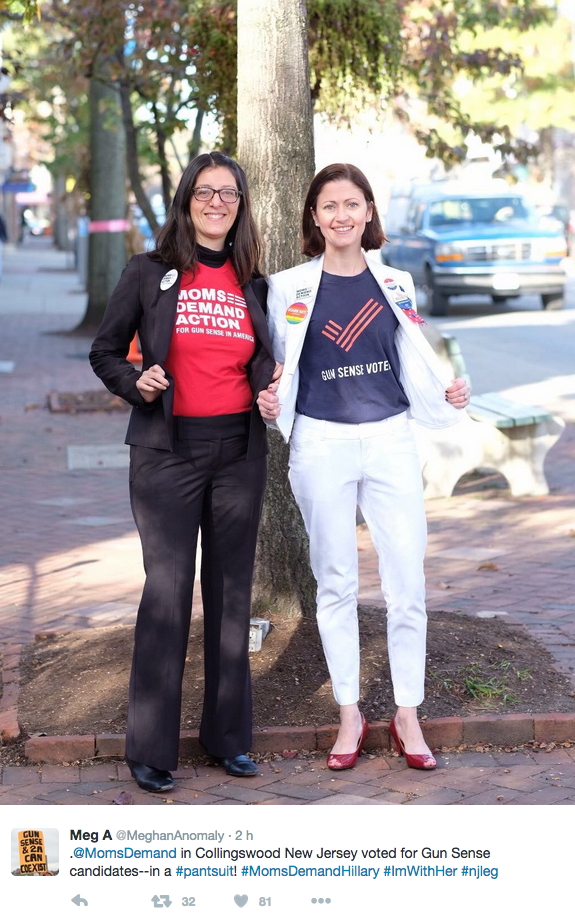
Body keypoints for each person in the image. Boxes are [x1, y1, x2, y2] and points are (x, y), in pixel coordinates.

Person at [257, 163, 470, 771]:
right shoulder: (288, 288)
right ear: (314, 218)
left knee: (407, 581)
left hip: (390, 440)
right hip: (321, 444)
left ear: (369, 212)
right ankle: (349, 710)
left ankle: (408, 713)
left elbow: (418, 359)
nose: (342, 216)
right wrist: (269, 399)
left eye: (352, 204)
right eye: (329, 206)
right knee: (336, 583)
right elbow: (278, 369)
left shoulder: (396, 282)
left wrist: (449, 394)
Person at [90, 152, 278, 792]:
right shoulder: (150, 272)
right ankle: (150, 749)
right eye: (206, 192)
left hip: (238, 455)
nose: (217, 202)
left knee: (231, 598)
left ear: (241, 204)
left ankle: (229, 740)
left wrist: (269, 385)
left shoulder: (256, 282)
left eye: (229, 193)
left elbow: (266, 361)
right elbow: (105, 350)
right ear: (186, 200)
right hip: (166, 454)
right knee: (167, 596)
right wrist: (134, 382)